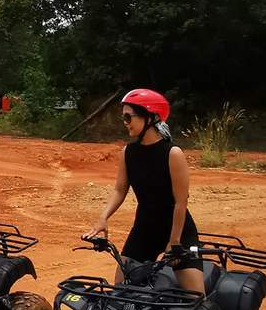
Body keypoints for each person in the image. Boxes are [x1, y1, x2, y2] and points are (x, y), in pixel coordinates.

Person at [84, 88, 203, 293]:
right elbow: (120, 189)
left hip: (178, 230)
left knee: (196, 297)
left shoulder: (172, 153)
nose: (125, 122)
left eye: (129, 117)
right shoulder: (129, 152)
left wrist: (174, 243)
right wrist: (103, 218)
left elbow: (180, 202)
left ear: (151, 117)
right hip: (145, 228)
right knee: (120, 291)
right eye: (123, 117)